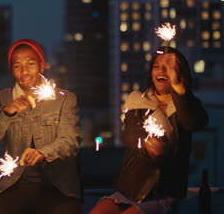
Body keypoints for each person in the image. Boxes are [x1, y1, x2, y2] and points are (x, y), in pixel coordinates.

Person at [89, 46, 208, 214]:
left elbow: (195, 123)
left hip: (166, 190)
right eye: (157, 66)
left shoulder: (188, 105)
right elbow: (131, 139)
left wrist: (179, 90)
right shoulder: (137, 102)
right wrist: (153, 150)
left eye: (169, 66)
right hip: (132, 187)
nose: (162, 70)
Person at [0, 39, 82, 214]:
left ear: (42, 66)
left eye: (30, 64)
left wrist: (42, 153)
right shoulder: (2, 98)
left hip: (58, 186)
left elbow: (70, 141)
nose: (24, 71)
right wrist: (7, 112)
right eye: (17, 66)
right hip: (15, 184)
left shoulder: (65, 99)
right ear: (12, 70)